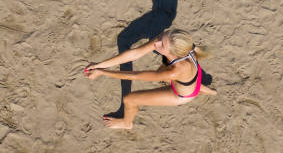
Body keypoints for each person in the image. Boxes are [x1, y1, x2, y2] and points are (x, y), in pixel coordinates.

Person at [85, 28, 216, 129]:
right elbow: (134, 54)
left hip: (181, 95)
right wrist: (99, 65)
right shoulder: (174, 42)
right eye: (160, 39)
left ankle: (126, 124)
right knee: (186, 83)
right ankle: (210, 91)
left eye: (161, 45)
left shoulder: (175, 72)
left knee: (129, 99)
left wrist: (102, 72)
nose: (156, 43)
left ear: (173, 54)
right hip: (193, 81)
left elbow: (134, 75)